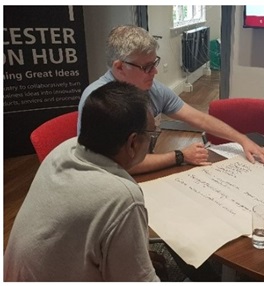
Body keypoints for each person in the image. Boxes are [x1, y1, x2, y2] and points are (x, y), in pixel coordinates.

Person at [5, 82, 160, 281]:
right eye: (151, 135)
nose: (151, 142)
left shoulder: (63, 150)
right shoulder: (122, 197)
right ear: (132, 143)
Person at [77, 25, 264, 174]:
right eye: (146, 67)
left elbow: (199, 119)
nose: (155, 71)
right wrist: (179, 156)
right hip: (111, 182)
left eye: (155, 63)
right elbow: (117, 165)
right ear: (119, 67)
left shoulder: (150, 87)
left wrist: (242, 139)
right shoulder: (99, 101)